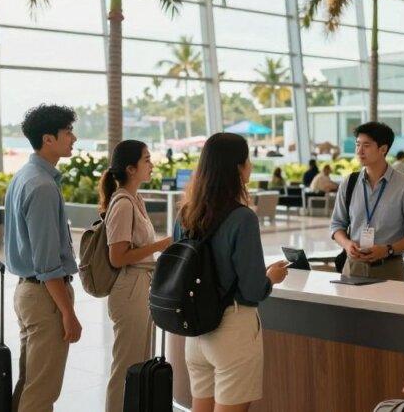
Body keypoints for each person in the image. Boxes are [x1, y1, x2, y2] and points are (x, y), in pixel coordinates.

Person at [180, 133, 289, 412]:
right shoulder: (242, 217)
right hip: (233, 329)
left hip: (196, 331)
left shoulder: (186, 213)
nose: (250, 165)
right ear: (238, 167)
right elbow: (253, 290)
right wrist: (270, 279)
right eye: (248, 159)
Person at [3, 104, 81, 412]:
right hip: (43, 296)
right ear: (48, 139)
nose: (73, 138)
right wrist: (68, 312)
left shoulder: (24, 177)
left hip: (28, 292)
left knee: (31, 382)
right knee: (42, 391)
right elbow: (48, 263)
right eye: (67, 132)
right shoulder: (43, 186)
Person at [100, 140, 174, 412]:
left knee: (139, 362)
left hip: (141, 285)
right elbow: (117, 257)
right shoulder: (122, 203)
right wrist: (162, 245)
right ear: (131, 168)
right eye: (146, 160)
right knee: (126, 366)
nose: (152, 165)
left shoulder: (136, 199)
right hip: (129, 287)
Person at [330, 122, 404, 281]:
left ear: (383, 149)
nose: (359, 151)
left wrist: (388, 250)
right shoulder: (350, 183)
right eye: (357, 144)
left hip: (389, 268)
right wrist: (347, 244)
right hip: (352, 266)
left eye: (366, 145)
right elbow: (336, 225)